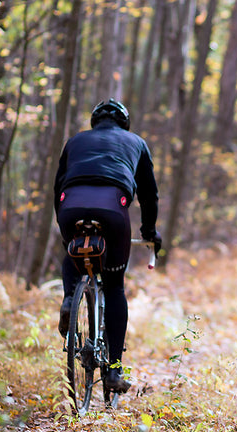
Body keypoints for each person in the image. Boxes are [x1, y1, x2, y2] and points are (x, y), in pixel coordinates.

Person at [53, 98, 161, 393]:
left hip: (70, 204)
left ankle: (67, 299)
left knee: (71, 250)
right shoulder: (135, 142)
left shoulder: (75, 141)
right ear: (124, 123)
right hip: (113, 207)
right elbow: (149, 194)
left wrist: (65, 225)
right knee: (114, 286)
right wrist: (149, 231)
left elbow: (57, 185)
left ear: (94, 121)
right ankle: (113, 371)